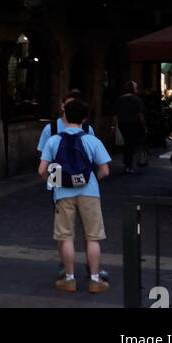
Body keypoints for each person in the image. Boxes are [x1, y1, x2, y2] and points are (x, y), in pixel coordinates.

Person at [38, 97, 112, 294]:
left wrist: (54, 182)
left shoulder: (54, 140)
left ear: (65, 115)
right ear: (85, 118)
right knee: (93, 237)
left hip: (62, 193)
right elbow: (105, 170)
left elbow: (42, 170)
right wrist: (92, 179)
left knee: (66, 237)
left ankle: (69, 279)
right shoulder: (91, 139)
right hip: (90, 192)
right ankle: (95, 280)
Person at [113, 80, 147, 174]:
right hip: (134, 124)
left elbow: (115, 114)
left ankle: (127, 162)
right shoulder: (136, 99)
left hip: (122, 124)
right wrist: (144, 126)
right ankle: (129, 165)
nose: (137, 89)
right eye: (135, 87)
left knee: (128, 143)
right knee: (131, 144)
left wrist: (114, 126)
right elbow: (140, 114)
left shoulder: (120, 99)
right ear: (133, 89)